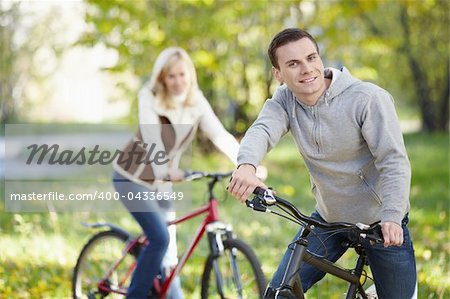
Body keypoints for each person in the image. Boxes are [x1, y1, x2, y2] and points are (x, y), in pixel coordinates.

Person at [227, 28, 417, 298]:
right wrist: (246, 166)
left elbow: (393, 161)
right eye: (293, 63)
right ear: (278, 73)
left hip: (381, 222)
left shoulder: (367, 99)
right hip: (329, 219)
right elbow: (262, 130)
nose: (306, 69)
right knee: (280, 293)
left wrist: (392, 216)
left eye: (311, 58)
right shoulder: (285, 99)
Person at [113, 47, 239, 299]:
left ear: (190, 75)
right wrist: (164, 170)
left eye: (182, 74)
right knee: (159, 239)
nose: (178, 81)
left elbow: (219, 135)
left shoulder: (197, 100)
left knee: (169, 259)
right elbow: (151, 137)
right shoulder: (148, 96)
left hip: (162, 185)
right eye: (171, 76)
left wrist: (247, 164)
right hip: (131, 178)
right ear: (162, 78)